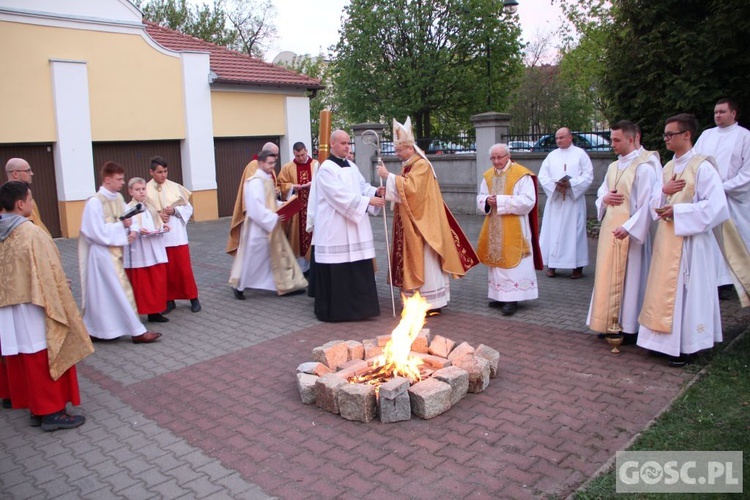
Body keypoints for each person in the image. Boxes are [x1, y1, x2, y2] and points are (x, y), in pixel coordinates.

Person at [0, 181, 93, 431]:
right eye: (30, 200)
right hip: (34, 305)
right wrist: (61, 286)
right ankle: (51, 411)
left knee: (24, 357)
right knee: (45, 353)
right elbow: (48, 269)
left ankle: (35, 407)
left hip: (8, 307)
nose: (32, 204)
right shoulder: (31, 232)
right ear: (20, 204)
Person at [638, 114, 729, 366]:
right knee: (661, 290)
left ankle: (687, 345)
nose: (666, 138)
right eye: (665, 134)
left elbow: (717, 207)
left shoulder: (702, 167)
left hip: (691, 243)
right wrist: (663, 195)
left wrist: (679, 212)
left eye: (671, 134)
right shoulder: (668, 167)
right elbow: (654, 200)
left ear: (687, 135)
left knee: (687, 294)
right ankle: (659, 342)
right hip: (667, 239)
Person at [376, 117, 479, 315]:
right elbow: (404, 191)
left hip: (423, 225)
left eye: (399, 150)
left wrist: (389, 177)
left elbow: (413, 191)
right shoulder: (409, 165)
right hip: (412, 221)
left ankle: (432, 303)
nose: (397, 154)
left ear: (409, 148)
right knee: (416, 259)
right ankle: (417, 302)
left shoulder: (421, 165)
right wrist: (386, 189)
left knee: (426, 260)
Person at [586, 121, 658, 345]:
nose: (612, 144)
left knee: (632, 278)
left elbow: (649, 204)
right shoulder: (613, 166)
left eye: (617, 140)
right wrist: (604, 199)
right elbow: (602, 194)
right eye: (612, 139)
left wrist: (628, 228)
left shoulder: (645, 166)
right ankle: (605, 320)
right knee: (606, 274)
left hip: (631, 235)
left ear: (632, 138)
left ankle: (627, 326)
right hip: (610, 232)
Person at [79, 161, 162, 344]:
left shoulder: (117, 198)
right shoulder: (95, 202)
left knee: (103, 294)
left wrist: (133, 230)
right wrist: (121, 227)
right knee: (121, 291)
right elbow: (94, 232)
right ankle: (137, 331)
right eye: (119, 179)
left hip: (114, 252)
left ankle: (97, 330)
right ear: (107, 180)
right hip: (101, 254)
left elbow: (129, 218)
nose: (122, 182)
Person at [311, 130, 385, 322]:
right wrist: (368, 201)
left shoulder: (351, 165)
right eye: (343, 143)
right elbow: (339, 196)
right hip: (335, 227)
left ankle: (361, 310)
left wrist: (375, 191)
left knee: (357, 266)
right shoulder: (326, 169)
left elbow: (362, 186)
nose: (347, 146)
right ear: (332, 144)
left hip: (354, 227)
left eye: (348, 143)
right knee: (340, 271)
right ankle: (338, 312)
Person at [229, 151, 308, 298]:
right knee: (253, 259)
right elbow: (255, 208)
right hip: (257, 228)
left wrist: (283, 204)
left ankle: (284, 285)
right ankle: (239, 286)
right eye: (269, 163)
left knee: (274, 257)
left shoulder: (266, 180)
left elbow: (269, 202)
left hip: (269, 224)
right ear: (261, 163)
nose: (272, 166)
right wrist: (273, 217)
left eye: (273, 163)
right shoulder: (254, 182)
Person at [476, 144, 543, 316]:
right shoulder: (488, 175)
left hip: (515, 224)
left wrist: (500, 201)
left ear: (508, 156)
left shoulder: (521, 174)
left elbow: (528, 201)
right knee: (496, 262)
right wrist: (486, 200)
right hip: (494, 224)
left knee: (513, 262)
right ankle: (499, 295)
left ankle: (512, 298)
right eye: (493, 158)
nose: (497, 161)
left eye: (500, 157)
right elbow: (481, 196)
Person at [694, 98, 750, 300]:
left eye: (722, 111)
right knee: (710, 238)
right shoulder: (706, 135)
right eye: (716, 112)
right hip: (708, 197)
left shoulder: (745, 137)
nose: (717, 115)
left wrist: (722, 187)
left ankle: (737, 280)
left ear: (733, 113)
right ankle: (714, 280)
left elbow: (747, 172)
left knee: (735, 237)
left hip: (732, 199)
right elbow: (696, 161)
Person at [146, 156, 201, 314]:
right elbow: (142, 213)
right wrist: (157, 217)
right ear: (151, 172)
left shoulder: (176, 187)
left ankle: (193, 298)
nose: (163, 175)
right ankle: (169, 301)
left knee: (184, 270)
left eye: (165, 171)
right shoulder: (146, 190)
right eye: (159, 172)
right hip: (159, 237)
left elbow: (189, 208)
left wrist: (175, 211)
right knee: (165, 272)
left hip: (177, 236)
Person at [538, 127, 594, 279]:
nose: (558, 141)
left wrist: (571, 184)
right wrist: (555, 185)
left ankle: (577, 266)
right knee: (553, 231)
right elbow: (542, 176)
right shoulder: (551, 156)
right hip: (556, 200)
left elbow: (588, 176)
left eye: (562, 137)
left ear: (570, 137)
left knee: (574, 233)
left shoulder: (580, 155)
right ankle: (552, 265)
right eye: (556, 138)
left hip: (572, 201)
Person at [123, 177, 170, 323]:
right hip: (139, 250)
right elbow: (124, 227)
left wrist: (163, 227)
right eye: (137, 189)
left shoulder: (150, 206)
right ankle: (137, 313)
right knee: (142, 283)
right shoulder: (128, 208)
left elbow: (157, 222)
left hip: (154, 247)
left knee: (156, 280)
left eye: (143, 189)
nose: (141, 192)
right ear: (130, 191)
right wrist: (136, 230)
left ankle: (155, 312)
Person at [227, 142, 280, 256]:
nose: (276, 159)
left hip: (266, 218)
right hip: (256, 222)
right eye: (274, 155)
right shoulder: (253, 167)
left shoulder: (269, 168)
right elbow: (254, 196)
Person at [277, 142, 318, 274]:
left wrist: (315, 184)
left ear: (307, 151)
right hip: (297, 211)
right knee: (297, 239)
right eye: (297, 155)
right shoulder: (288, 168)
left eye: (302, 154)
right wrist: (292, 187)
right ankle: (302, 270)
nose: (300, 158)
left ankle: (314, 267)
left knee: (315, 236)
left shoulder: (317, 165)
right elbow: (280, 185)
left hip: (314, 209)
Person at [5, 158, 51, 236]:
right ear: (15, 174)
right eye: (28, 170)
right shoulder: (7, 198)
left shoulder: (27, 193)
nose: (32, 173)